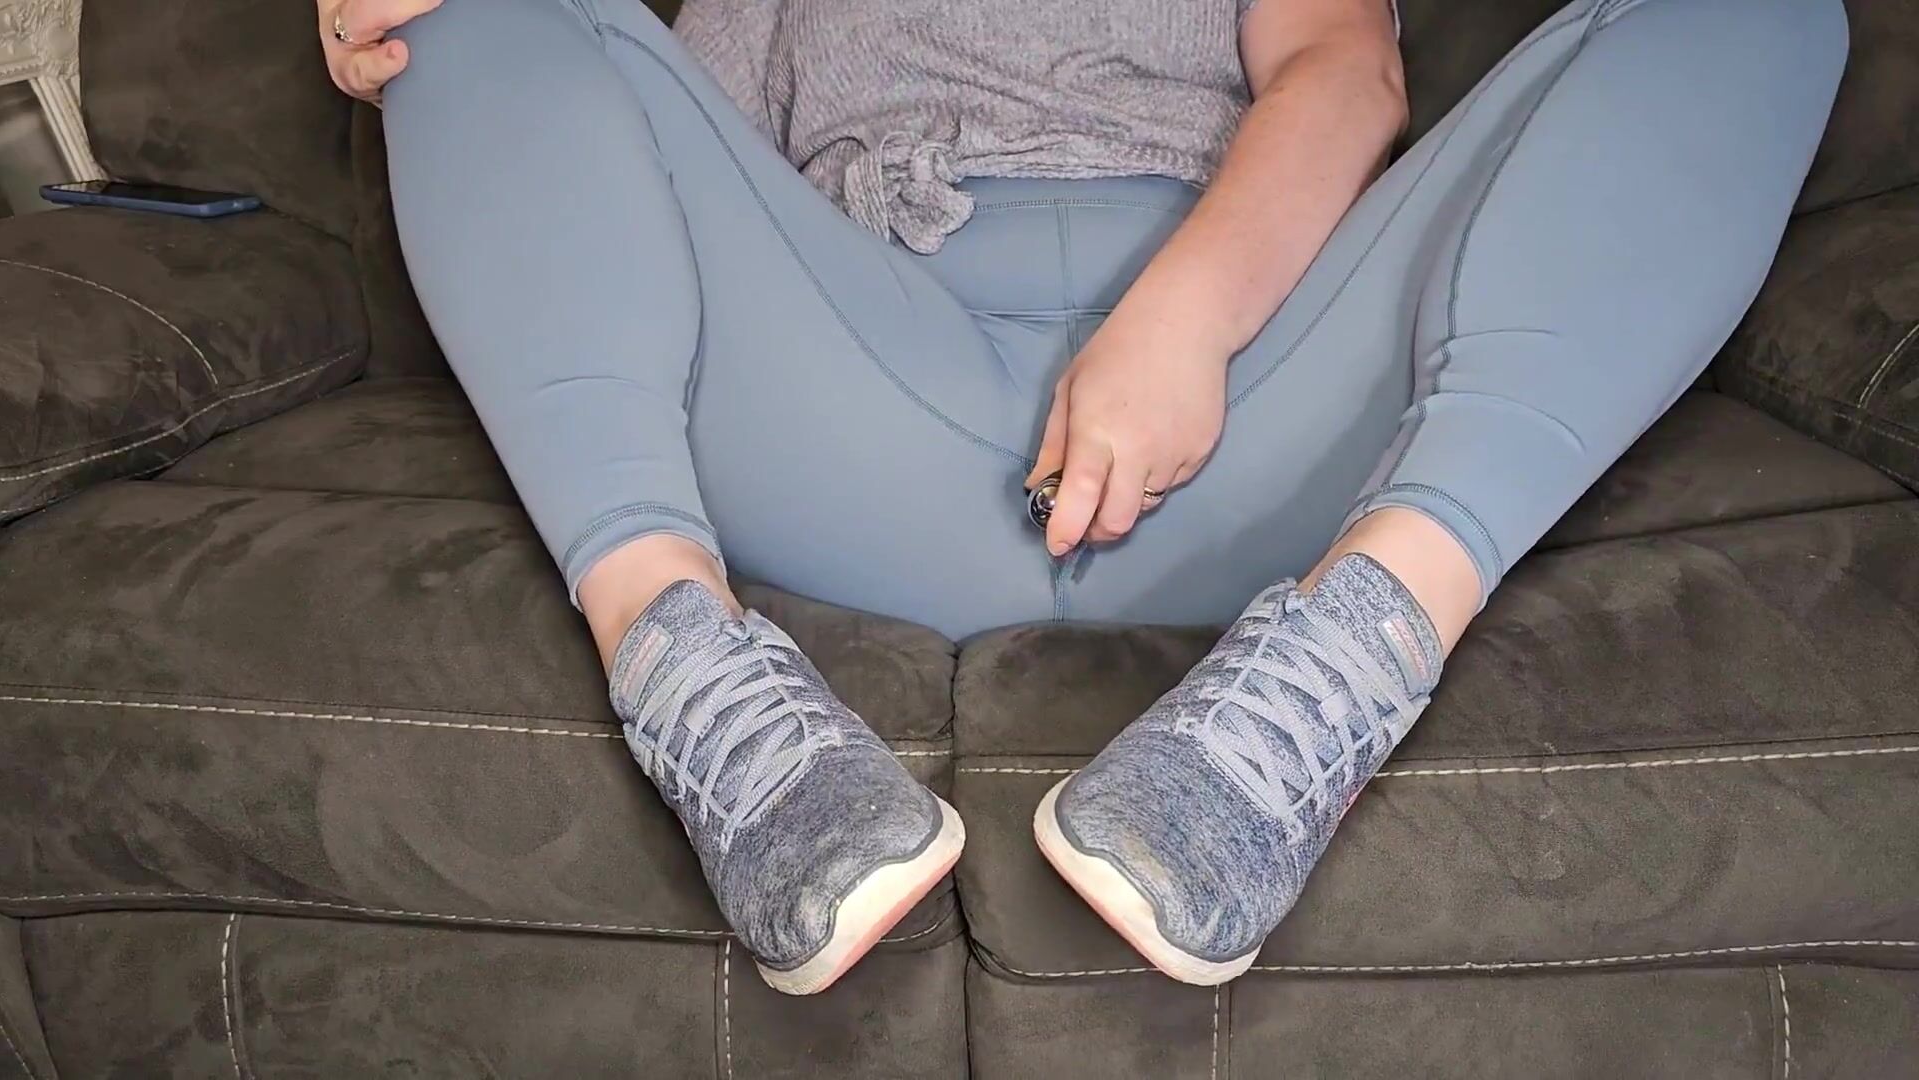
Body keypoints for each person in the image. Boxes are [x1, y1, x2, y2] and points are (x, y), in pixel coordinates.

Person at [320, 0, 1846, 993]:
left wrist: (1180, 324)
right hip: (871, 400)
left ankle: (1364, 641)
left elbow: (1347, 74)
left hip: (1250, 402)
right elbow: (659, 171)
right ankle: (683, 670)